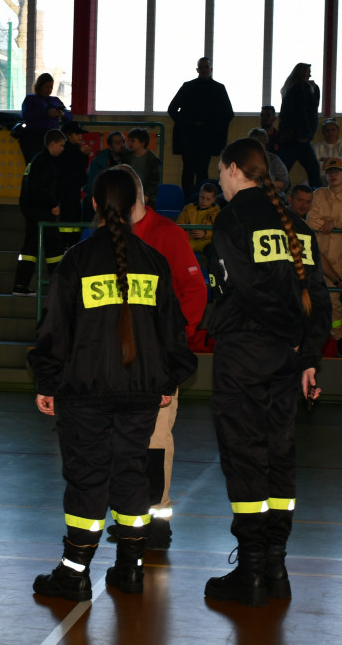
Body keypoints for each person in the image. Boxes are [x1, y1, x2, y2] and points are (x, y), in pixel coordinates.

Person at [28, 166, 197, 601]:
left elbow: (53, 332)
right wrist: (168, 378)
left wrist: (47, 382)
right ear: (136, 205)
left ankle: (73, 574)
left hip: (85, 393)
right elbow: (174, 334)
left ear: (94, 205)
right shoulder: (155, 262)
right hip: (141, 394)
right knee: (130, 478)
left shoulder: (76, 261)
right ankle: (130, 568)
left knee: (87, 479)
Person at [204, 137, 331, 607]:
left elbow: (247, 290)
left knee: (245, 457)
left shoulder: (232, 220)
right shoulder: (297, 226)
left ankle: (252, 571)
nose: (219, 180)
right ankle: (276, 565)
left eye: (221, 171)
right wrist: (307, 352)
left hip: (246, 353)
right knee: (280, 454)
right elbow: (319, 298)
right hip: (288, 359)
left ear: (235, 169)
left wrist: (292, 340)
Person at [115, 163, 209, 548]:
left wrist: (171, 342)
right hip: (117, 361)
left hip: (155, 361)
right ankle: (131, 514)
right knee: (121, 441)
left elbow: (194, 292)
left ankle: (157, 518)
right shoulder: (110, 235)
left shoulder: (167, 235)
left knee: (154, 440)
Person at [305, 156, 342, 357]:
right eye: (330, 172)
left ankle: (337, 337)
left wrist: (337, 223)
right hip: (318, 254)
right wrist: (334, 224)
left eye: (337, 172)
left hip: (340, 256)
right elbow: (312, 220)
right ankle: (324, 337)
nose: (334, 175)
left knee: (332, 296)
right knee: (315, 297)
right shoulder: (319, 194)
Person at [167, 57, 234, 192]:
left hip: (206, 136)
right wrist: (185, 124)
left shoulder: (218, 89)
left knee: (201, 169)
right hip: (190, 134)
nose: (204, 70)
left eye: (206, 67)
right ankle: (188, 200)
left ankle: (200, 199)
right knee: (189, 168)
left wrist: (214, 129)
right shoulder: (188, 87)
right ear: (197, 69)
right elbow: (172, 108)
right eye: (201, 67)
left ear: (211, 69)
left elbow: (228, 114)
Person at [13, 129, 66, 296]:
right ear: (52, 144)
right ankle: (58, 287)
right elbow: (40, 189)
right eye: (61, 145)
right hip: (41, 212)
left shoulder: (36, 160)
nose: (62, 149)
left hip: (31, 211)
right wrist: (53, 204)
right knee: (54, 249)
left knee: (30, 249)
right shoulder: (44, 163)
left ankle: (20, 285)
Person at [276, 63, 321, 186]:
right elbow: (304, 111)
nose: (310, 75)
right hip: (299, 138)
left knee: (282, 170)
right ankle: (317, 195)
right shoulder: (301, 87)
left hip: (290, 137)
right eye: (308, 72)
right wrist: (304, 134)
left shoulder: (291, 87)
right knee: (313, 170)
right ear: (303, 73)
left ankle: (274, 195)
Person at [19, 72, 71, 163]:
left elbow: (69, 117)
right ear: (39, 87)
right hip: (34, 137)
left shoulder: (55, 100)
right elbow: (26, 115)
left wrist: (62, 114)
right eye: (46, 87)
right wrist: (46, 113)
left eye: (51, 87)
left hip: (53, 137)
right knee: (34, 163)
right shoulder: (30, 99)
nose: (49, 90)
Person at [56, 122, 91, 249]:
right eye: (77, 133)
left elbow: (80, 170)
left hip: (74, 193)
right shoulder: (65, 151)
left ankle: (72, 245)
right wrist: (82, 155)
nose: (80, 136)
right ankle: (67, 245)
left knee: (75, 222)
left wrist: (83, 155)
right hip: (67, 194)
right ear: (68, 135)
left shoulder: (75, 149)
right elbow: (71, 171)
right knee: (68, 221)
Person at [85, 131, 131, 222]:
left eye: (123, 141)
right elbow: (91, 186)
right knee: (89, 202)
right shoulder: (99, 162)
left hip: (122, 199)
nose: (122, 145)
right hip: (104, 199)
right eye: (117, 143)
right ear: (110, 147)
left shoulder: (131, 159)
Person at [177, 183, 220, 253]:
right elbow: (179, 225)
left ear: (214, 200)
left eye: (208, 199)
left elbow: (219, 232)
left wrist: (204, 234)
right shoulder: (188, 209)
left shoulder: (217, 213)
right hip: (189, 240)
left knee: (213, 250)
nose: (204, 201)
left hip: (205, 242)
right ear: (199, 195)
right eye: (202, 197)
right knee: (174, 246)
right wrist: (185, 233)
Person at [248, 128, 290, 193]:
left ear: (265, 144)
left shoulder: (274, 159)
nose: (257, 148)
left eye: (260, 143)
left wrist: (267, 183)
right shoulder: (245, 159)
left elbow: (284, 183)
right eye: (254, 144)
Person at [127, 127, 161, 205]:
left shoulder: (152, 159)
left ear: (142, 142)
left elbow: (154, 181)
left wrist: (147, 195)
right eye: (129, 140)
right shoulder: (127, 157)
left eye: (133, 141)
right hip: (129, 195)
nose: (130, 143)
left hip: (146, 198)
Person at [313, 118, 342, 186]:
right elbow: (316, 165)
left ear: (338, 131)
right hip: (321, 178)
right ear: (323, 133)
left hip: (340, 178)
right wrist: (335, 161)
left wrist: (324, 160)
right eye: (327, 130)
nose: (330, 133)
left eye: (333, 130)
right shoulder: (317, 147)